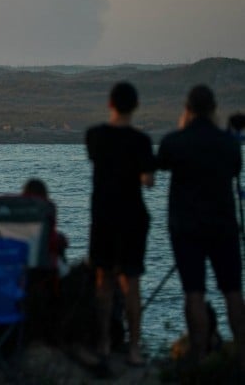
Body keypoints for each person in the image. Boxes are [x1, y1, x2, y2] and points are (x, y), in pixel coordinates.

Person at [156, 85, 245, 369]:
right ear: (214, 109)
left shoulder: (174, 142)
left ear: (188, 109)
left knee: (194, 293)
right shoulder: (229, 144)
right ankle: (242, 356)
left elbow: (161, 165)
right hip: (224, 227)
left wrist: (184, 127)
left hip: (187, 228)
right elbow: (234, 169)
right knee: (232, 292)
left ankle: (199, 358)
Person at [85, 81, 155, 367]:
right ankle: (134, 348)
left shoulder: (94, 136)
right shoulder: (141, 141)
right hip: (133, 217)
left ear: (110, 104)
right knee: (131, 283)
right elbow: (148, 181)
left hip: (103, 215)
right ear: (135, 106)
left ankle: (103, 343)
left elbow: (97, 162)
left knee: (103, 282)